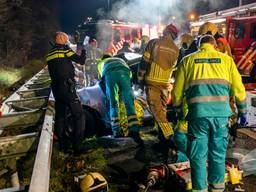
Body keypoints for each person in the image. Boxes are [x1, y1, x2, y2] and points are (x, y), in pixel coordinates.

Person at [172, 35, 248, 192]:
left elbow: (177, 93)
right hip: (221, 117)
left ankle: (200, 189)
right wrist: (242, 111)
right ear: (214, 45)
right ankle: (217, 188)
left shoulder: (187, 60)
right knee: (218, 155)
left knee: (198, 156)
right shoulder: (226, 60)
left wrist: (179, 111)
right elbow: (239, 89)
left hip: (197, 116)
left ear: (200, 46)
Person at [138, 24, 179, 151]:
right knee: (162, 112)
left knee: (157, 113)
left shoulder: (154, 43)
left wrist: (140, 79)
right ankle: (163, 143)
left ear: (166, 31)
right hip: (165, 85)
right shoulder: (176, 49)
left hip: (152, 84)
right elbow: (173, 68)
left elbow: (144, 63)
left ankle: (169, 136)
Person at [46, 31, 87, 155]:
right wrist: (83, 50)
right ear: (62, 39)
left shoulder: (49, 54)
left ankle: (63, 147)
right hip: (67, 88)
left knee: (60, 117)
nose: (67, 40)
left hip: (56, 89)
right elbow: (80, 61)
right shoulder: (65, 50)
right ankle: (77, 147)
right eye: (65, 38)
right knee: (79, 115)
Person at [98, 53, 144, 147]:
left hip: (110, 75)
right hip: (125, 73)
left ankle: (116, 132)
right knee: (129, 103)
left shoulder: (102, 64)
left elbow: (102, 81)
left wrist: (107, 95)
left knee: (113, 104)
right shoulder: (119, 59)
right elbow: (130, 76)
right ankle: (134, 131)